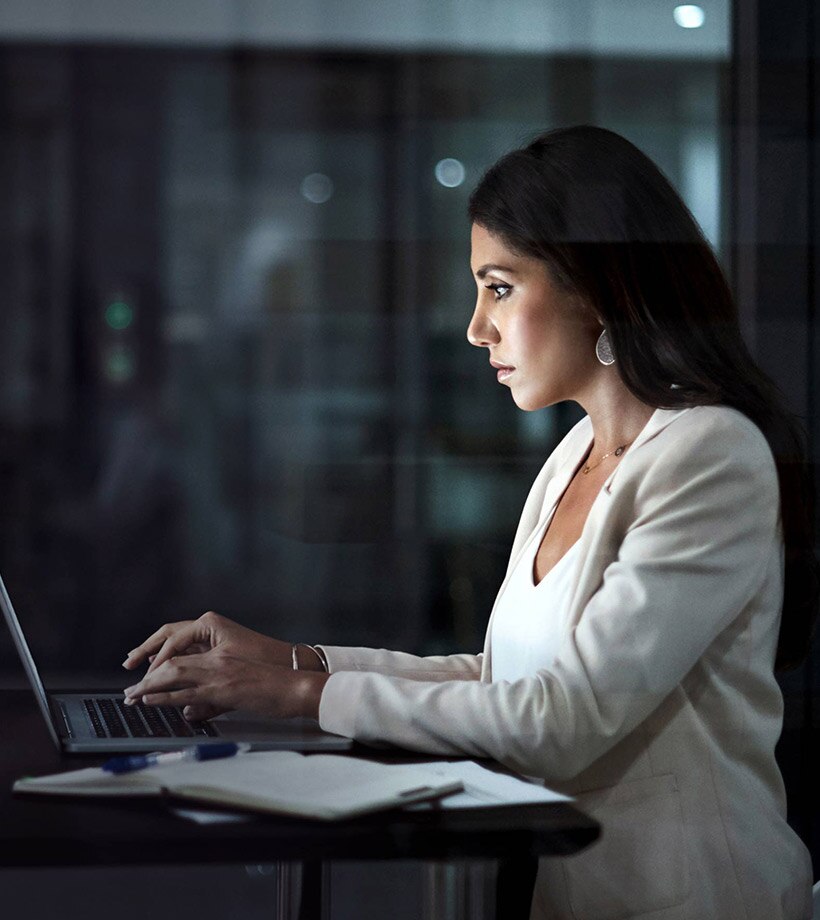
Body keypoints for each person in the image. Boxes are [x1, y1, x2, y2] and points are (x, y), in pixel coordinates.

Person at [122, 125, 818, 919]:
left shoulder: (710, 453)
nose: (474, 328)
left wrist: (296, 694)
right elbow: (500, 684)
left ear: (597, 285)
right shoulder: (575, 454)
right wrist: (290, 659)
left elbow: (564, 721)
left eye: (499, 287)